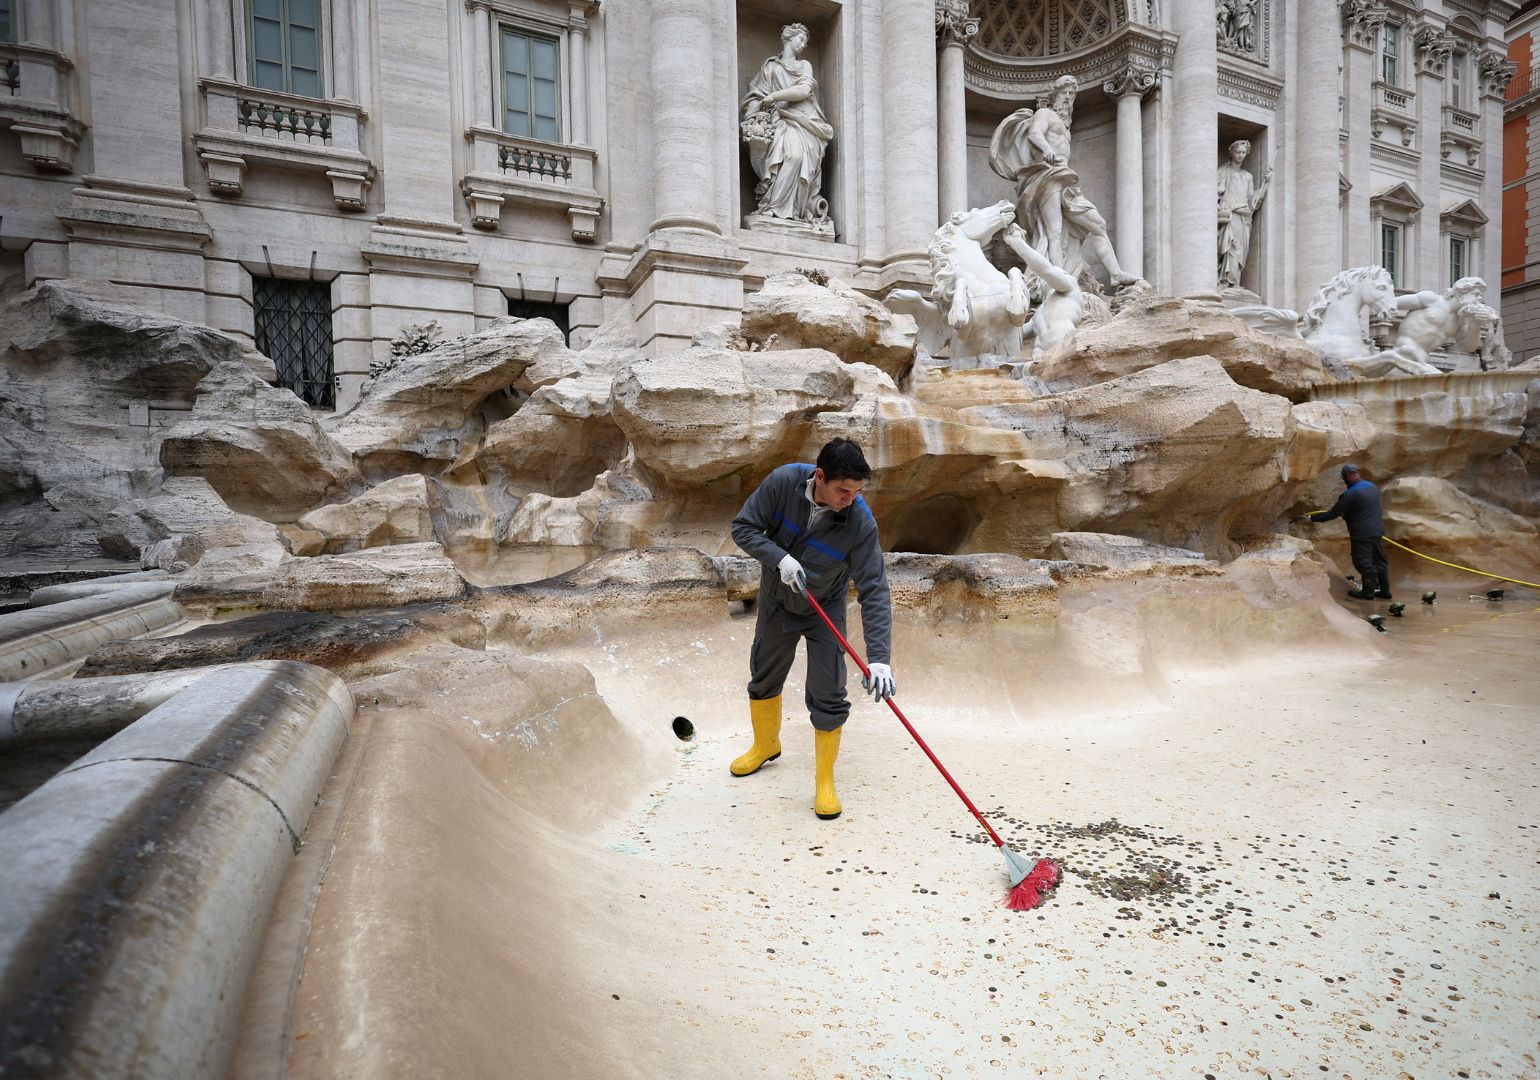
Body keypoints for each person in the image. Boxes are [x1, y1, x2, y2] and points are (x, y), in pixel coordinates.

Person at [728, 438, 895, 820]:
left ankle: (825, 781)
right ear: (819, 477)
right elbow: (743, 527)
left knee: (828, 690)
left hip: (824, 610)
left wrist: (879, 660)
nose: (850, 500)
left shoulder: (860, 522)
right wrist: (780, 558)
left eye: (857, 492)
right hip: (777, 600)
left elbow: (874, 588)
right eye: (843, 491)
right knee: (764, 675)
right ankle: (765, 746)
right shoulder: (782, 483)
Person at [986, 75, 1137, 287]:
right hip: (1047, 176)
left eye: (1071, 95)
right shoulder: (1045, 113)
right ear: (1054, 96)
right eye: (1064, 93)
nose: (1068, 98)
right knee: (1054, 232)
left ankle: (1116, 273)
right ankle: (1060, 283)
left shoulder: (1065, 126)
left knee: (1098, 224)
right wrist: (1046, 148)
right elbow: (1034, 133)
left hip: (1065, 179)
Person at [740, 23, 835, 225]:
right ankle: (773, 207)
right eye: (800, 39)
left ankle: (793, 211)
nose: (803, 45)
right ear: (788, 37)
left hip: (804, 121)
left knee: (797, 156)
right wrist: (754, 113)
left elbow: (804, 91)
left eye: (805, 42)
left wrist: (774, 96)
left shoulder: (804, 65)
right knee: (786, 156)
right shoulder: (770, 67)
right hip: (778, 121)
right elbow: (756, 95)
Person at [1296, 464, 1390, 600]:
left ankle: (1368, 592)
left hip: (1362, 533)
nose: (1344, 480)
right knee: (1379, 560)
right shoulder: (1372, 487)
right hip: (1377, 530)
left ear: (1348, 476)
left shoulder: (1350, 494)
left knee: (1362, 561)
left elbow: (1333, 513)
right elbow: (1364, 507)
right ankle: (1385, 591)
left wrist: (1311, 518)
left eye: (1344, 477)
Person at [1217, 139, 1270, 290]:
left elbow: (1252, 200)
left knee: (1240, 250)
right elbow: (1215, 194)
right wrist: (1225, 208)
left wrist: (1266, 183)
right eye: (1238, 152)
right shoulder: (1223, 171)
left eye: (1243, 153)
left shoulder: (1247, 176)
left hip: (1243, 218)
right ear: (1231, 153)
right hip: (1230, 216)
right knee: (1230, 247)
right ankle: (1226, 281)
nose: (1240, 155)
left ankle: (1235, 282)